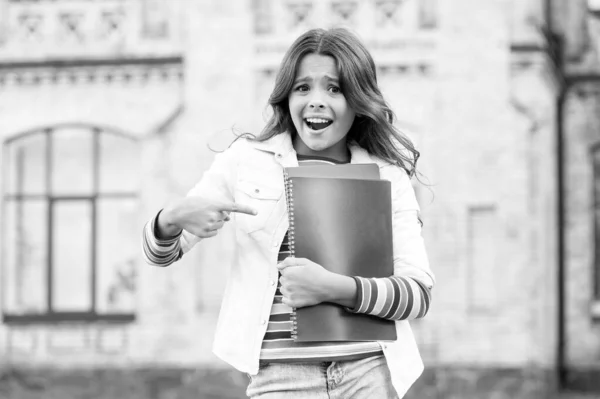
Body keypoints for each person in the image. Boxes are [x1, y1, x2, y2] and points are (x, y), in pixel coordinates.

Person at [143, 27, 434, 399]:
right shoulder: (245, 162)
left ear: (358, 99)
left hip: (370, 374)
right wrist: (171, 218)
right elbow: (160, 254)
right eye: (303, 88)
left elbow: (418, 295)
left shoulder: (387, 176)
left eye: (334, 88)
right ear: (287, 96)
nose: (316, 100)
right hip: (280, 378)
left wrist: (334, 288)